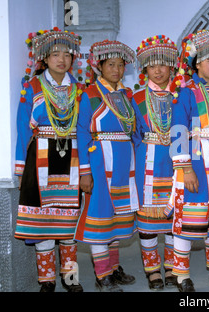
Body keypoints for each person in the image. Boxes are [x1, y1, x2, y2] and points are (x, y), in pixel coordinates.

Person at [14, 27, 84, 292]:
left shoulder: (79, 90)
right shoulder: (31, 87)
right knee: (42, 222)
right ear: (43, 58)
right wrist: (20, 169)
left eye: (66, 54)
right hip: (40, 156)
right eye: (55, 54)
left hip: (72, 158)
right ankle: (46, 280)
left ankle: (70, 277)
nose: (61, 60)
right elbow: (23, 129)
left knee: (68, 221)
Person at [167, 29, 209, 292]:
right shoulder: (186, 92)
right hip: (196, 162)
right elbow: (178, 129)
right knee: (190, 218)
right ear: (196, 63)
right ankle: (181, 275)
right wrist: (185, 169)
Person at [75, 39, 139, 292]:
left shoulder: (126, 95)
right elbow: (82, 133)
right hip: (101, 160)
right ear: (99, 66)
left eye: (121, 65)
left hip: (125, 161)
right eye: (111, 64)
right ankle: (103, 275)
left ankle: (113, 268)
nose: (116, 70)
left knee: (118, 218)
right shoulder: (90, 95)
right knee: (101, 217)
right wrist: (85, 171)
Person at [132, 35, 178, 290]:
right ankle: (152, 271)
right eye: (152, 65)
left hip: (175, 161)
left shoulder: (181, 95)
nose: (158, 70)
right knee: (148, 220)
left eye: (163, 64)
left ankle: (171, 268)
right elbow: (132, 133)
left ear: (172, 66)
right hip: (146, 161)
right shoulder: (136, 98)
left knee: (173, 220)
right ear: (144, 69)